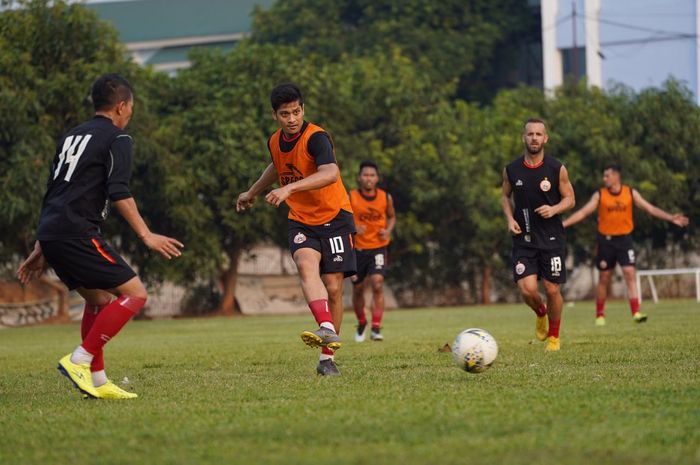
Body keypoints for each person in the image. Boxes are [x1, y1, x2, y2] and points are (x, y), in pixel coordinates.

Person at [17, 73, 184, 399]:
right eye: (131, 107)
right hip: (76, 232)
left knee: (99, 299)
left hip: (54, 231)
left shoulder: (71, 136)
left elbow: (54, 190)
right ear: (121, 106)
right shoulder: (118, 138)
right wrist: (146, 235)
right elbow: (119, 191)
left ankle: (96, 381)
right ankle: (80, 359)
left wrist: (42, 244)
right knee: (135, 294)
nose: (131, 113)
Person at [236, 83, 356, 376]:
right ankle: (326, 327)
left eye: (296, 111)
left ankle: (327, 357)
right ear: (275, 115)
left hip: (334, 216)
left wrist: (289, 189)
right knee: (305, 265)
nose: (292, 118)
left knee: (334, 288)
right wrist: (251, 192)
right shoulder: (275, 141)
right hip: (302, 218)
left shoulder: (317, 138)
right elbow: (277, 167)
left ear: (303, 109)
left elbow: (330, 173)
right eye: (285, 114)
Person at [562, 164, 689, 325]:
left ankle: (636, 312)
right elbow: (583, 212)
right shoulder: (599, 195)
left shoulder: (630, 192)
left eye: (607, 175)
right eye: (604, 176)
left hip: (624, 240)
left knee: (630, 273)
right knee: (604, 277)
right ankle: (600, 315)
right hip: (606, 240)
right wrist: (564, 224)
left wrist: (671, 218)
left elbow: (649, 208)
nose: (605, 179)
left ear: (616, 176)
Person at [501, 118, 575, 352]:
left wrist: (553, 209)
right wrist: (510, 219)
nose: (534, 138)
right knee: (527, 290)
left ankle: (554, 337)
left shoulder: (556, 168)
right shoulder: (511, 169)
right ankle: (540, 312)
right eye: (530, 134)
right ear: (523, 137)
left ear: (546, 139)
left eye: (538, 134)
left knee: (552, 289)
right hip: (524, 238)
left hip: (552, 238)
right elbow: (504, 196)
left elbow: (570, 199)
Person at [349, 161, 396, 342]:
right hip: (358, 249)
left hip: (378, 246)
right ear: (359, 178)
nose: (368, 178)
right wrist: (352, 227)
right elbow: (341, 218)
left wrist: (388, 230)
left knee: (377, 283)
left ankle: (376, 327)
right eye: (365, 175)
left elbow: (391, 217)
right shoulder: (351, 197)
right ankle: (362, 322)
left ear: (377, 178)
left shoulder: (385, 197)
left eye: (372, 175)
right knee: (358, 288)